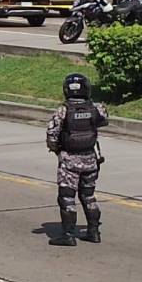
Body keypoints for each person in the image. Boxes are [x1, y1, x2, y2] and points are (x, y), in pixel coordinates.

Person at [46, 73, 109, 246]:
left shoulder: (63, 110)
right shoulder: (96, 108)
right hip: (91, 159)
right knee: (88, 196)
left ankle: (68, 235)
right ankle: (93, 232)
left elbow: (52, 134)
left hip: (69, 160)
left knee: (67, 197)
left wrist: (56, 149)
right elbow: (104, 121)